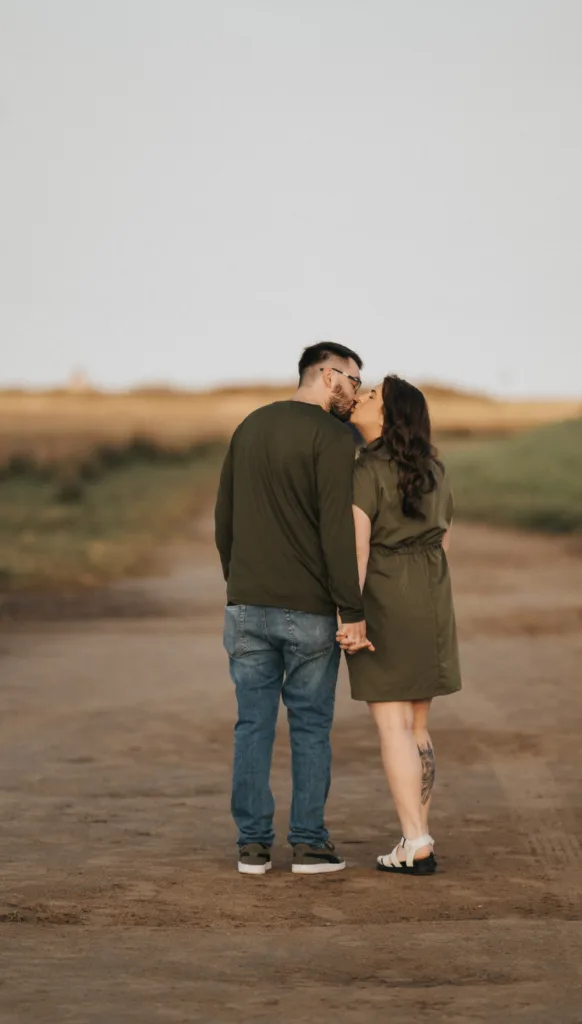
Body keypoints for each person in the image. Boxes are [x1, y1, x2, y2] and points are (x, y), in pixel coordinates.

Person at [215, 342, 373, 875]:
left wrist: (237, 585)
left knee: (251, 726)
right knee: (309, 727)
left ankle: (252, 848)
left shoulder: (250, 425)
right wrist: (350, 609)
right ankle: (308, 844)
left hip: (246, 606)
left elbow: (224, 519)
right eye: (354, 380)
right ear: (329, 376)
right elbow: (336, 527)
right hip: (308, 612)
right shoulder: (331, 436)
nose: (356, 393)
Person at [337, 375, 461, 875]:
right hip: (432, 594)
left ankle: (415, 840)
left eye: (370, 397)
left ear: (387, 417)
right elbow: (445, 540)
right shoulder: (435, 467)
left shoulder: (365, 467)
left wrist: (352, 614)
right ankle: (418, 836)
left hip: (386, 593)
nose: (360, 398)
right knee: (418, 726)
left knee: (392, 725)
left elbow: (358, 550)